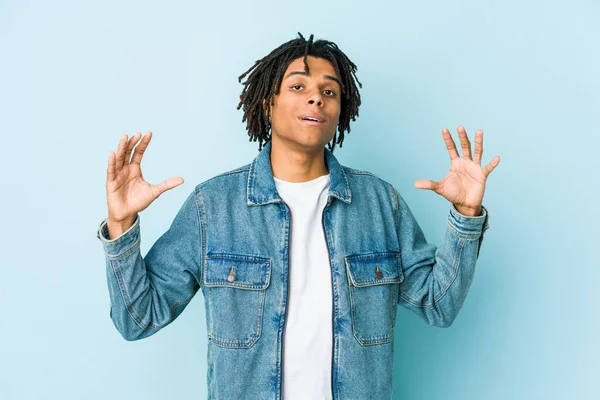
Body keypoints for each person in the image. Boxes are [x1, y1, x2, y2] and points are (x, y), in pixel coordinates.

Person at [96, 32, 499, 400]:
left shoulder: (379, 203)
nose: (316, 98)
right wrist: (122, 226)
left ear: (342, 110)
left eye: (330, 91)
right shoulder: (214, 207)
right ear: (267, 102)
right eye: (298, 86)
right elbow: (138, 319)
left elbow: (437, 306)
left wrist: (466, 215)